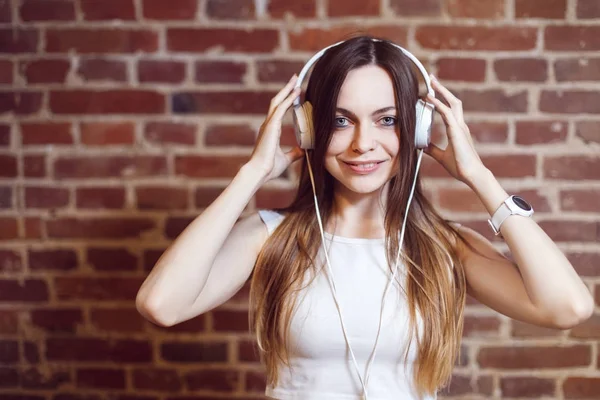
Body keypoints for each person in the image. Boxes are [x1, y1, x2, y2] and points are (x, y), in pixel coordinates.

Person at [136, 35, 594, 400]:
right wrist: (252, 173)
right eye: (339, 120)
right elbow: (163, 304)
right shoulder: (270, 236)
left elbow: (567, 307)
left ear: (417, 129)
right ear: (309, 129)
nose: (362, 143)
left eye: (388, 120)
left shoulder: (445, 247)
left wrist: (477, 174)